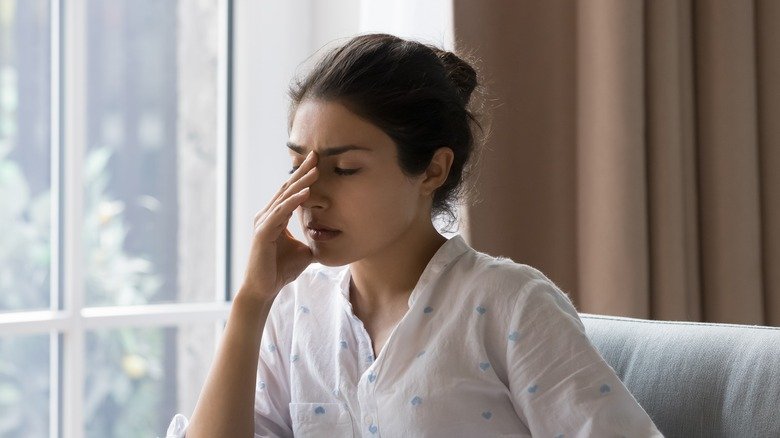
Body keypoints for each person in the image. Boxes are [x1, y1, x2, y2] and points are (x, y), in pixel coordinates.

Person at [166, 33, 663, 437]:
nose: (310, 195)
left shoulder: (510, 305)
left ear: (432, 170)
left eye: (345, 169)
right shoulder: (292, 312)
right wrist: (251, 302)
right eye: (299, 166)